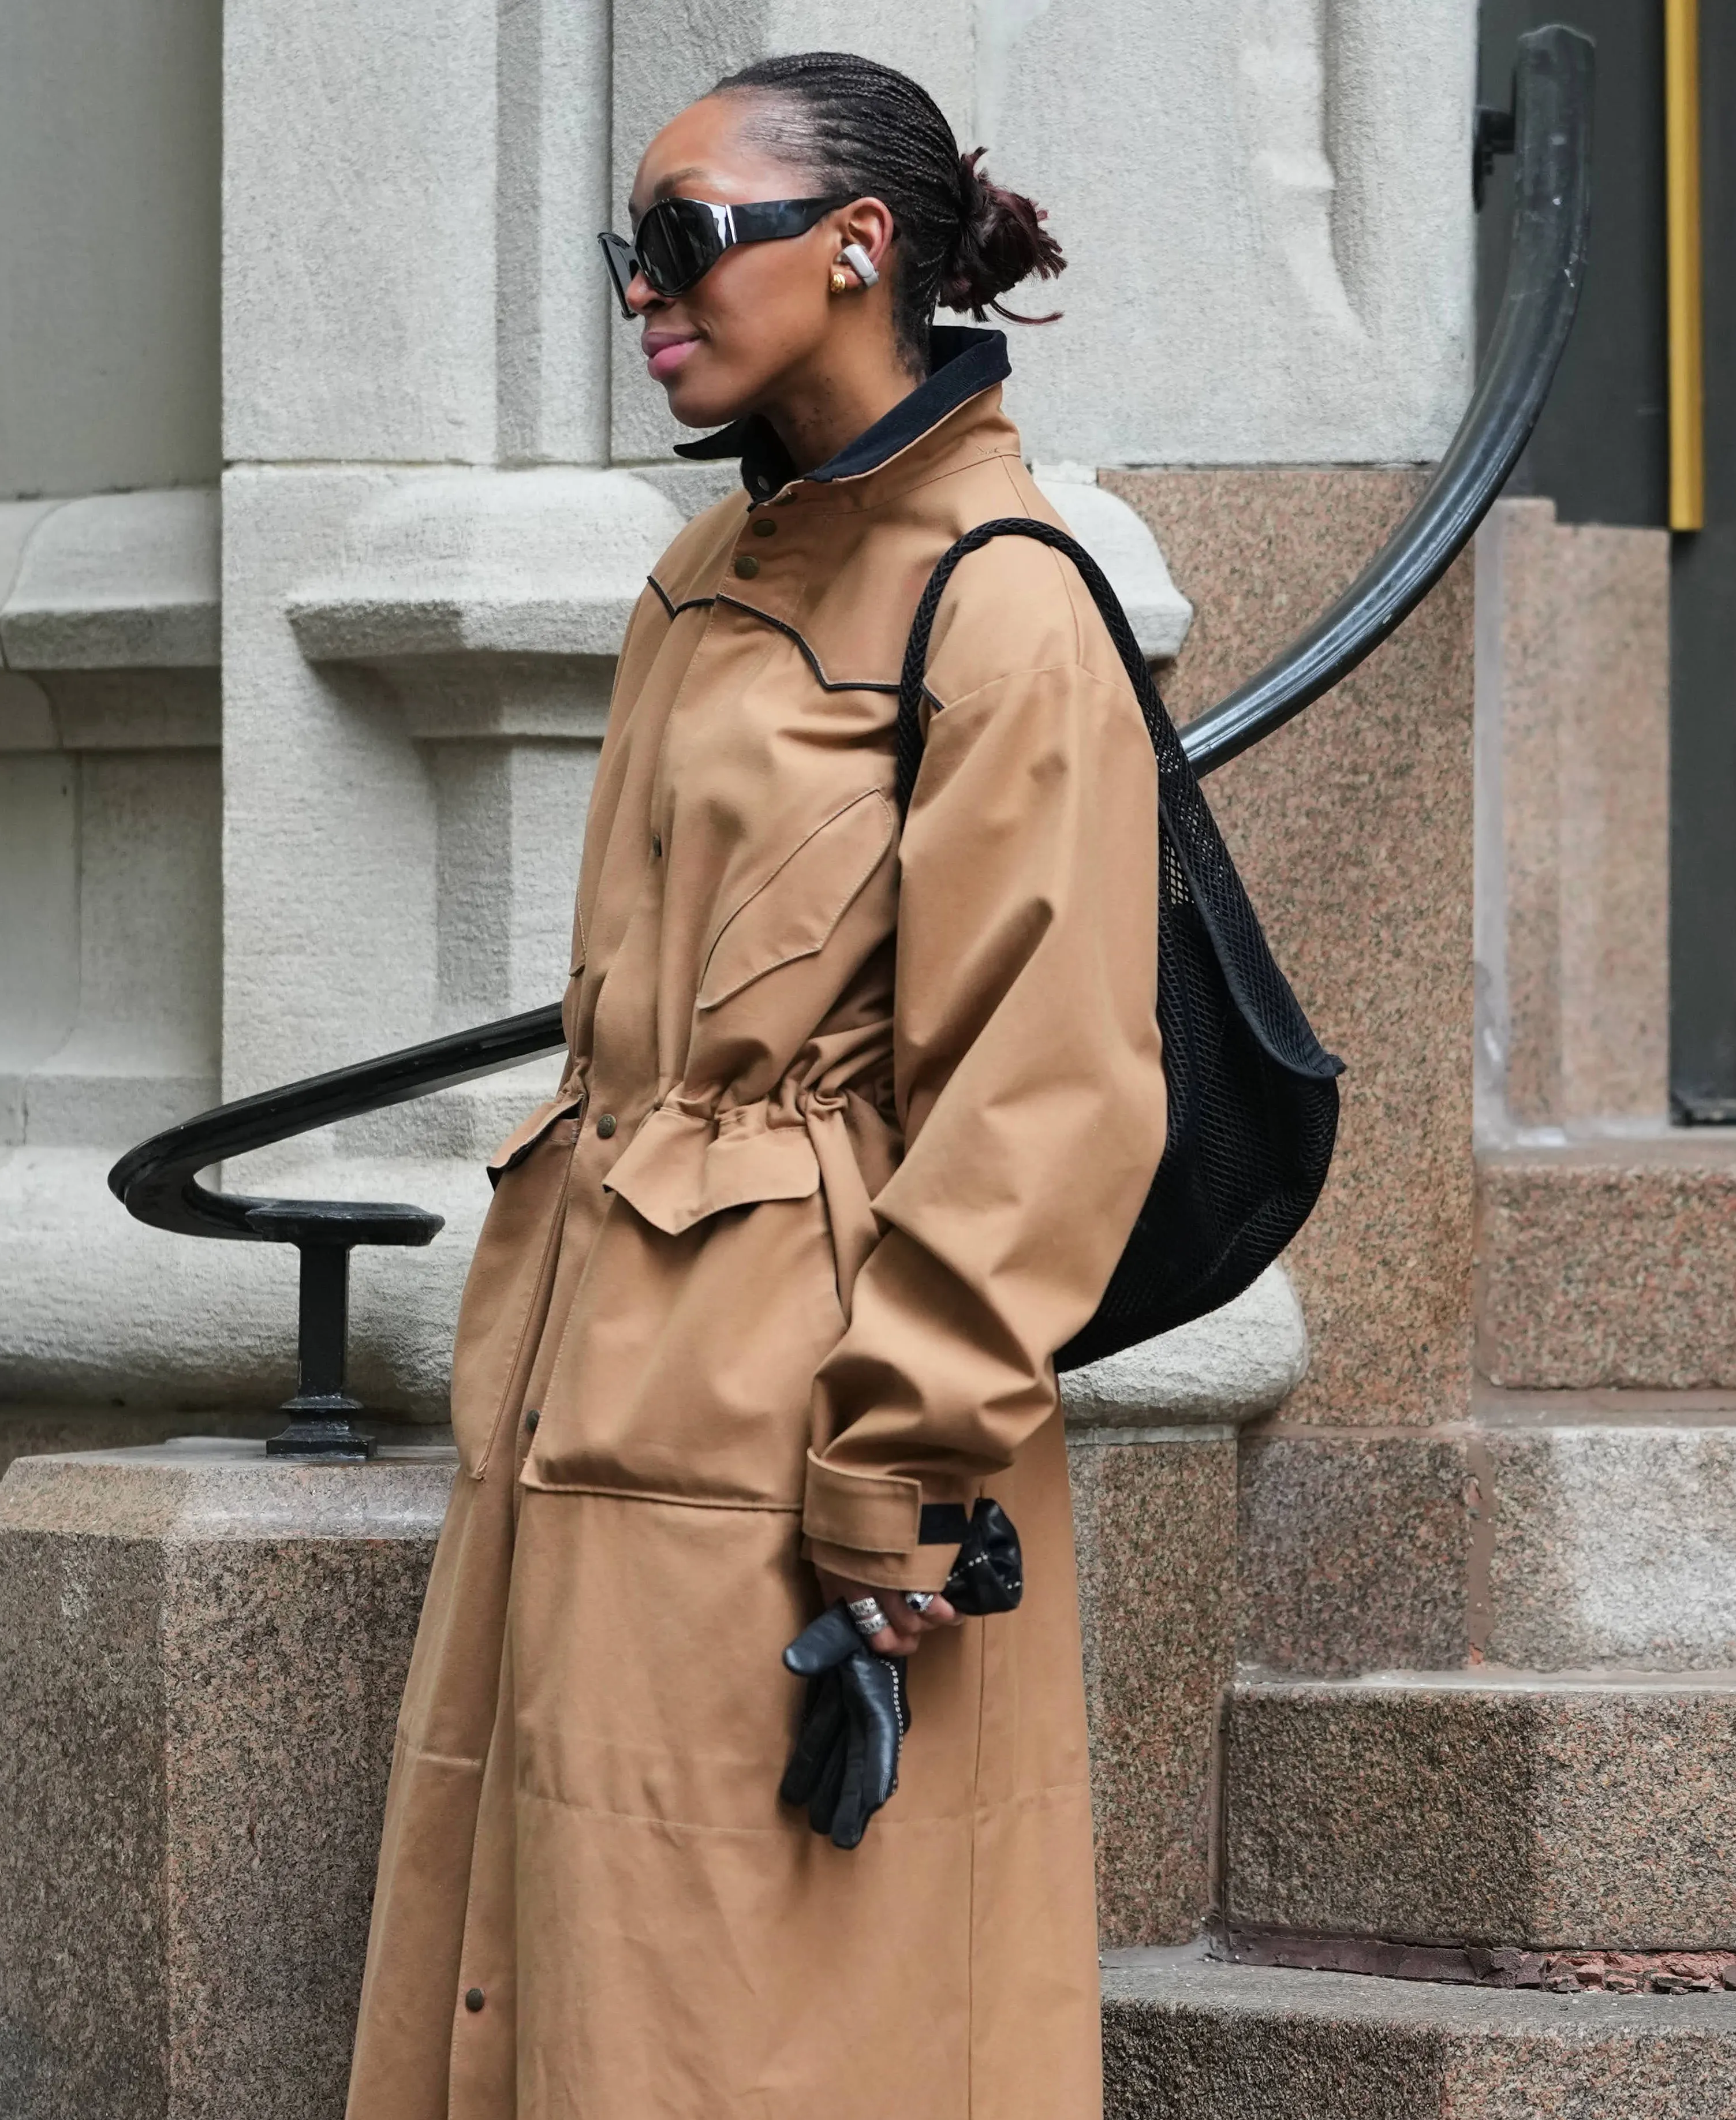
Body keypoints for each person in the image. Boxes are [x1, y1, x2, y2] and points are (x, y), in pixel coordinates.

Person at [341, 48, 1163, 2120]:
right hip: (594, 1368)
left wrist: (900, 1480)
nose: (647, 290)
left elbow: (1044, 1095)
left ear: (858, 246)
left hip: (814, 1414)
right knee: (574, 1987)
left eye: (688, 238)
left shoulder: (1008, 595)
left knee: (770, 2015)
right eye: (631, 249)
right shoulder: (701, 581)